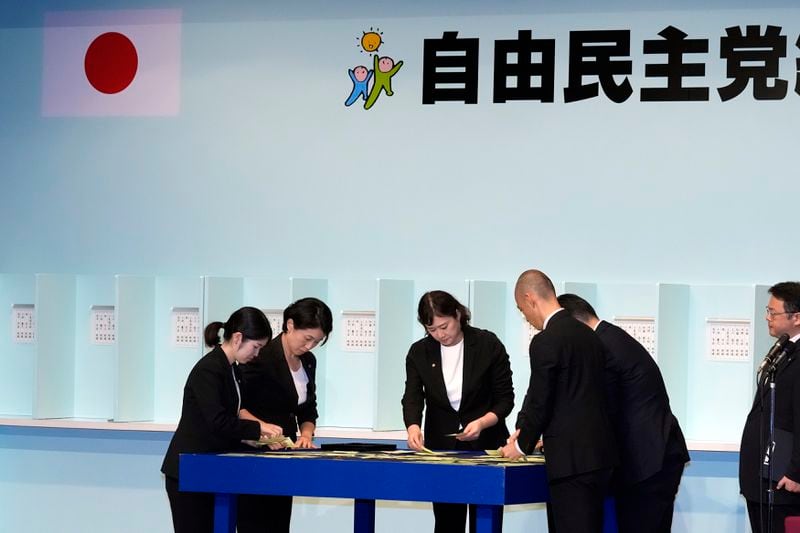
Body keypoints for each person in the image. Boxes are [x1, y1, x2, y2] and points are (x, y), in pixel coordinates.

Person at [557, 293, 690, 533]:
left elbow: (598, 410)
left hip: (648, 462)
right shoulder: (612, 337)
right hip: (656, 456)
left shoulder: (603, 348)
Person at [499, 270, 616, 533]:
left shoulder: (546, 340)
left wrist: (521, 443)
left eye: (521, 309)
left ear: (530, 299)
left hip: (570, 463)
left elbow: (542, 397)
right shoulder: (590, 335)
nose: (526, 318)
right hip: (599, 457)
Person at [161, 306, 282, 533]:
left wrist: (253, 440)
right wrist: (257, 429)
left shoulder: (231, 368)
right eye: (256, 347)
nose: (257, 354)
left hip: (207, 469)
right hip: (188, 471)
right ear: (238, 338)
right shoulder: (210, 369)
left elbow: (229, 417)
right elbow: (217, 421)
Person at [402, 290, 514, 533]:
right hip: (441, 448)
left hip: (487, 446)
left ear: (458, 315)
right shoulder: (419, 352)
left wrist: (483, 423)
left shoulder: (487, 344)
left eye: (445, 326)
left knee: (485, 521)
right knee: (446, 522)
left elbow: (505, 399)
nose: (441, 335)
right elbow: (412, 396)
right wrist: (412, 427)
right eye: (432, 330)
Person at [237, 297, 333, 533]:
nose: (310, 346)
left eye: (317, 341)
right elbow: (238, 406)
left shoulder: (308, 361)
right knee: (255, 523)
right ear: (290, 325)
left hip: (285, 454)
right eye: (307, 338)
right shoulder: (261, 355)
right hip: (256, 452)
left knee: (279, 523)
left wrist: (307, 435)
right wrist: (263, 427)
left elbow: (308, 408)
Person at [740, 282, 800, 533]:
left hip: (785, 481)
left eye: (773, 312)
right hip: (764, 478)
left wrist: (797, 472)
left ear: (796, 317)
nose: (767, 317)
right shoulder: (785, 350)